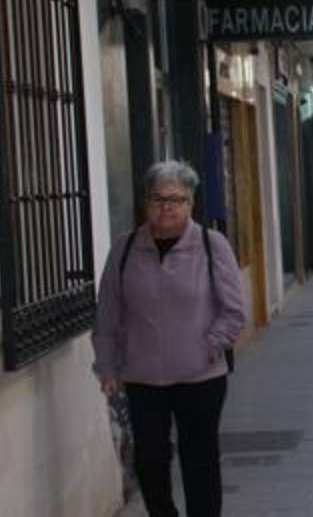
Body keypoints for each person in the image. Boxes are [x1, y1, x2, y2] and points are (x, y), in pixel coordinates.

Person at [92, 160, 246, 517]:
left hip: (201, 376)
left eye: (176, 199)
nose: (166, 206)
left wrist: (210, 345)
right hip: (142, 377)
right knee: (149, 460)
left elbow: (234, 310)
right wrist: (107, 366)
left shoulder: (212, 245)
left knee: (200, 459)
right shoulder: (125, 249)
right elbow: (108, 313)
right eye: (158, 198)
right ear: (146, 203)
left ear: (190, 204)